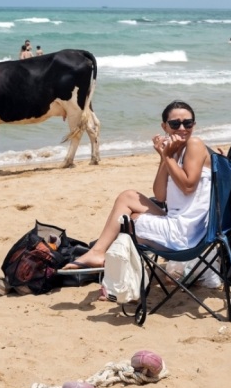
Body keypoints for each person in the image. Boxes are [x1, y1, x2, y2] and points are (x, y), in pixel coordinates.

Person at [64, 100, 212, 269]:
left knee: (127, 220)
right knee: (128, 196)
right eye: (175, 124)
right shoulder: (174, 151)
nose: (182, 128)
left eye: (188, 123)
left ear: (194, 124)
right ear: (164, 127)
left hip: (186, 234)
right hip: (180, 223)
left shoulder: (195, 144)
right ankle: (98, 252)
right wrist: (165, 157)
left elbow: (188, 187)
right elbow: (160, 195)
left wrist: (168, 156)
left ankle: (101, 255)